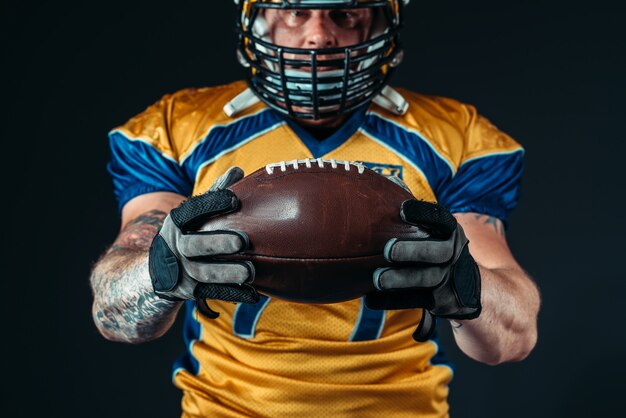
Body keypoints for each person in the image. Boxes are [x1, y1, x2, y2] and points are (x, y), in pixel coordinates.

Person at [90, 1, 541, 417]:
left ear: (383, 21)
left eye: (345, 14)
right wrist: (161, 272)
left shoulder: (455, 136)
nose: (319, 37)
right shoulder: (177, 126)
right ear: (257, 17)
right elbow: (114, 316)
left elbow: (513, 339)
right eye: (294, 12)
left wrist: (462, 282)